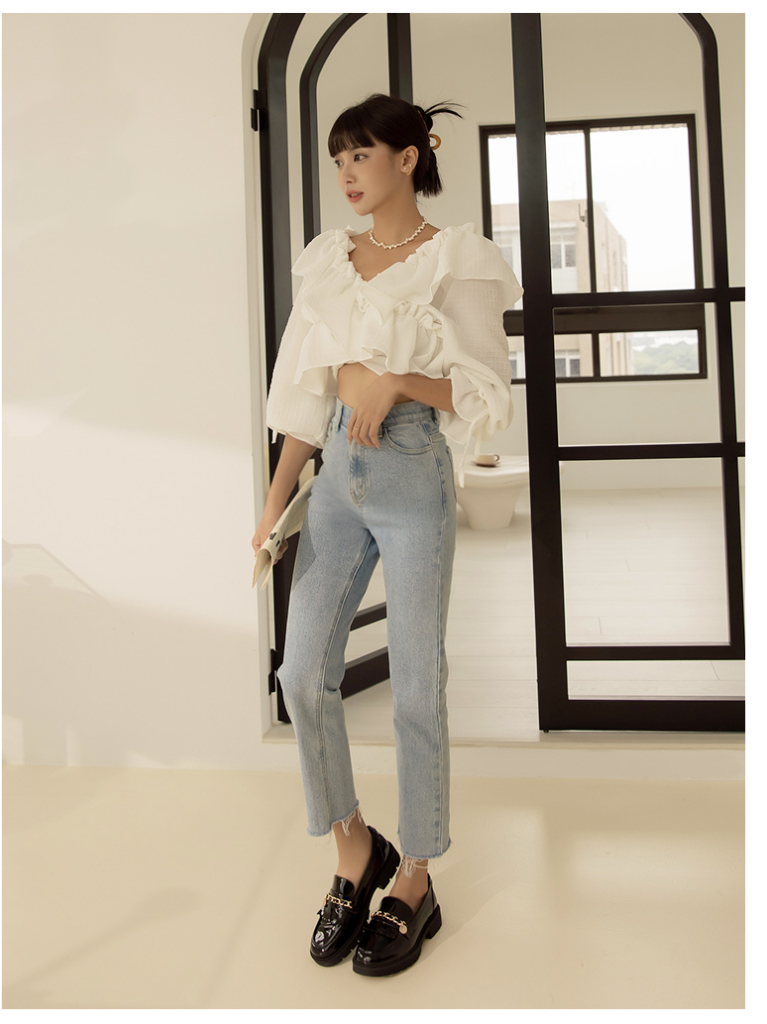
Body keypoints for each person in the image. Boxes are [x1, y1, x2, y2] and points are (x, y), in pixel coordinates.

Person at [252, 93, 523, 976]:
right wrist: (273, 506)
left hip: (410, 474)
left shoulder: (458, 258)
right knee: (301, 673)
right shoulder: (328, 260)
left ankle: (415, 875)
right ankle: (354, 847)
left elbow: (486, 392)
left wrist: (401, 382)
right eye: (338, 159)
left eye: (360, 156)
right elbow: (302, 395)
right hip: (335, 476)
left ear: (410, 158)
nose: (346, 174)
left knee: (415, 684)